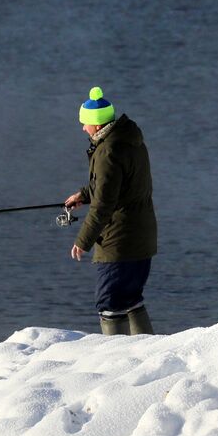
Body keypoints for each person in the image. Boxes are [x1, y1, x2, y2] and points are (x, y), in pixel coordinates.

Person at [63, 86, 157, 335]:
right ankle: (147, 354)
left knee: (109, 303)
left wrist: (84, 240)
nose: (83, 128)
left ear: (96, 124)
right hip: (141, 236)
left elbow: (104, 203)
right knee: (131, 300)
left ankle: (117, 364)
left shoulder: (108, 151)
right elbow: (114, 184)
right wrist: (83, 195)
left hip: (120, 242)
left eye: (85, 123)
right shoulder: (129, 139)